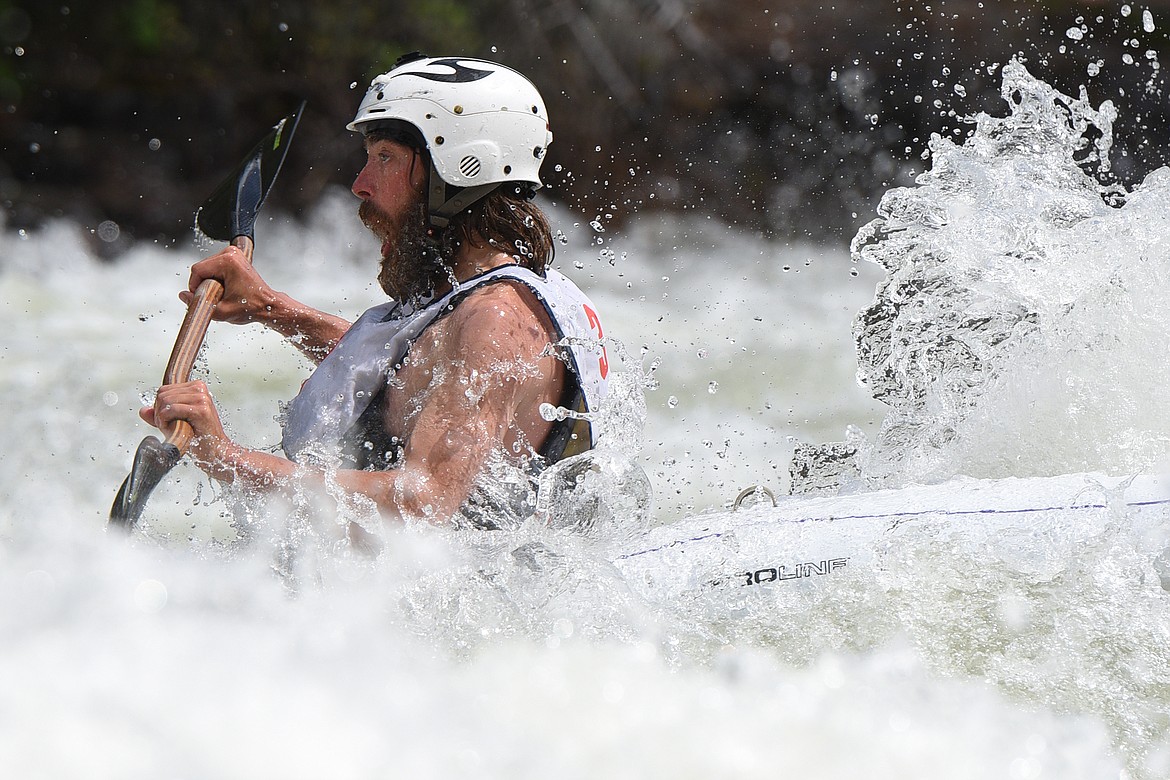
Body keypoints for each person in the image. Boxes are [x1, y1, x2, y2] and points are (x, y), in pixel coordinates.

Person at [140, 54, 610, 528]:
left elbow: (423, 501)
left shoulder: (499, 320)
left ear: (461, 167)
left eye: (384, 158)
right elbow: (412, 375)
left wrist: (227, 458)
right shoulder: (501, 296)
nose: (360, 186)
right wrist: (271, 308)